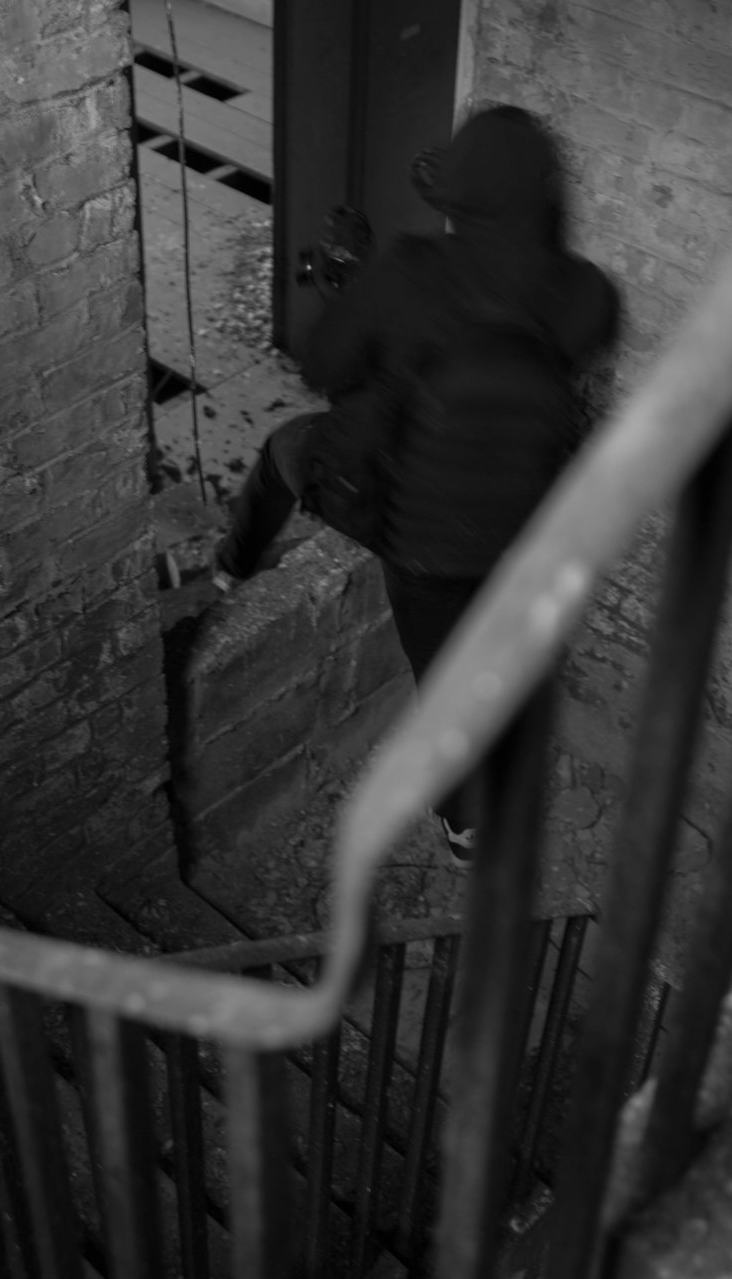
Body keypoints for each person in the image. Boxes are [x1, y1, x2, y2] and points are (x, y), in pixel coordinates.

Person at [213, 106, 619, 866]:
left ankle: (230, 569)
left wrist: (352, 291)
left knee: (282, 451)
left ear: (459, 193)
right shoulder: (590, 292)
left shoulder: (407, 272)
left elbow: (325, 369)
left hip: (421, 533)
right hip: (531, 530)